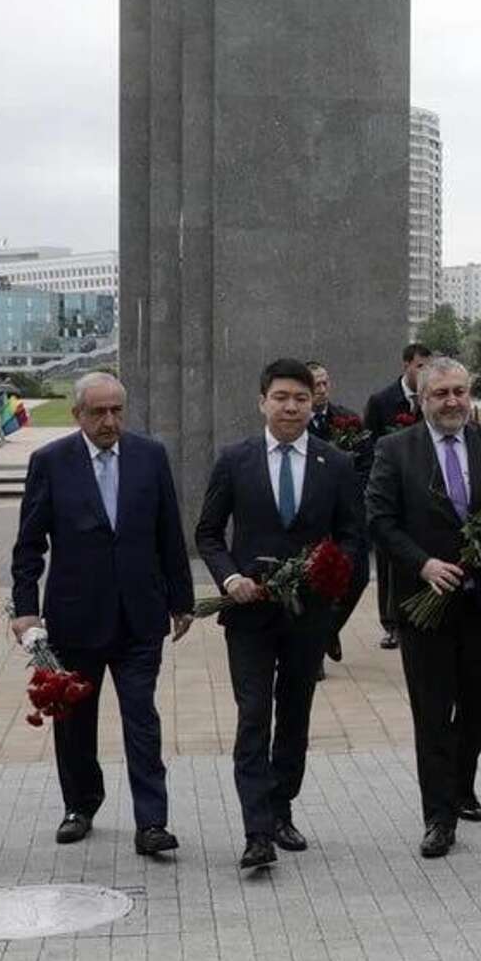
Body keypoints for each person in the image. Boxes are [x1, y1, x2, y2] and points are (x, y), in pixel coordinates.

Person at [10, 373, 194, 856]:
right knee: (74, 722)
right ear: (78, 415)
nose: (110, 421)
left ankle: (152, 822)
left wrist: (182, 599)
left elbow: (168, 533)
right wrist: (25, 610)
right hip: (74, 617)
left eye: (117, 411)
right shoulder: (50, 463)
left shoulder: (150, 456)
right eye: (98, 412)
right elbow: (29, 545)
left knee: (142, 719)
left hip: (140, 616)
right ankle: (81, 805)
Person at [195, 358, 366, 869]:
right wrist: (230, 579)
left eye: (301, 398)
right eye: (281, 397)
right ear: (262, 402)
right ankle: (256, 831)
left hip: (306, 616)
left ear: (314, 403)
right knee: (254, 717)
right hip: (249, 614)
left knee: (294, 715)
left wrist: (330, 581)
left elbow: (354, 538)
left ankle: (281, 807)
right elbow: (208, 532)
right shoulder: (235, 459)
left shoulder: (335, 463)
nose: (291, 406)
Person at [366, 357, 481, 857]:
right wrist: (423, 565)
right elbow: (379, 519)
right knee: (433, 713)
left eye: (460, 391)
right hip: (425, 602)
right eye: (441, 394)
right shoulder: (396, 450)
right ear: (422, 400)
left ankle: (460, 782)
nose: (453, 401)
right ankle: (439, 817)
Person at [364, 342, 433, 650]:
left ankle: (418, 616)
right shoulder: (381, 401)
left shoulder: (433, 399)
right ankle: (391, 623)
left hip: (426, 494)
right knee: (388, 558)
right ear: (406, 365)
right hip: (391, 492)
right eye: (420, 366)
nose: (424, 372)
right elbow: (369, 447)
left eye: (428, 366)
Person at [306, 359, 364, 672]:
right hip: (312, 517)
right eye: (316, 384)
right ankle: (313, 655)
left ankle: (329, 631)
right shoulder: (296, 422)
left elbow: (368, 463)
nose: (322, 389)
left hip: (346, 514)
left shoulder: (349, 420)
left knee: (357, 576)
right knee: (317, 584)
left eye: (326, 382)